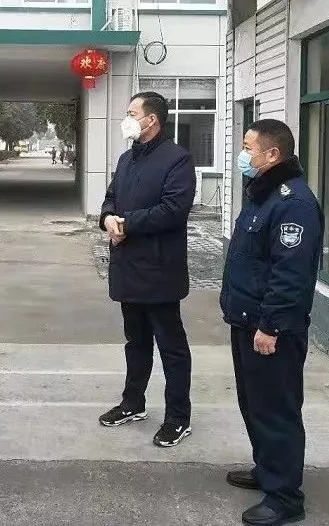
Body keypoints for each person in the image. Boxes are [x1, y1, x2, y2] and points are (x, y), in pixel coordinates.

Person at [219, 119, 323, 525]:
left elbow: (290, 274)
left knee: (277, 410)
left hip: (270, 328)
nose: (243, 154)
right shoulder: (262, 194)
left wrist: (271, 326)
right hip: (247, 319)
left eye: (249, 148)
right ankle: (267, 470)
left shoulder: (293, 202)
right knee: (255, 404)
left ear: (273, 154)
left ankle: (285, 497)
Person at [98, 91, 196, 448]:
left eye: (131, 112)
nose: (126, 119)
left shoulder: (177, 159)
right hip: (127, 267)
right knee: (135, 342)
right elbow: (110, 198)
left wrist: (127, 224)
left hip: (159, 271)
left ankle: (178, 418)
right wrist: (108, 218)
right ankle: (132, 403)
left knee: (172, 347)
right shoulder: (127, 159)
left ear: (151, 119)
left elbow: (174, 209)